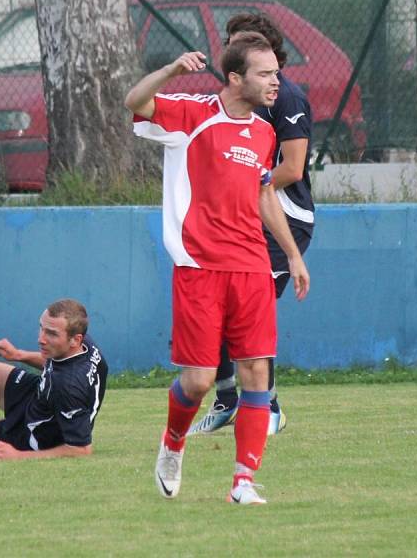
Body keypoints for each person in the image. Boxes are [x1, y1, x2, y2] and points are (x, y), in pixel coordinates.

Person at [125, 33, 310, 504]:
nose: (276, 82)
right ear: (235, 77)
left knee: (256, 373)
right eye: (265, 74)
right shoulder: (192, 114)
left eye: (276, 73)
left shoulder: (265, 131)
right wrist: (170, 70)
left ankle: (242, 483)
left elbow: (264, 192)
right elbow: (134, 101)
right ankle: (172, 442)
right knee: (200, 379)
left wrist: (291, 253)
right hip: (200, 266)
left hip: (252, 265)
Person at [189, 12, 315, 437]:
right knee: (223, 313)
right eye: (230, 44)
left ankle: (270, 406)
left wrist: (246, 183)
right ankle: (227, 400)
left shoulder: (288, 97)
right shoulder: (230, 104)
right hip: (242, 219)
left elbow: (292, 169)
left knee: (250, 313)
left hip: (286, 218)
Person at [0, 299, 108, 460]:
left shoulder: (69, 387)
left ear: (75, 340)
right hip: (37, 394)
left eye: (52, 334)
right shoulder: (85, 344)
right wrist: (18, 355)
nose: (41, 339)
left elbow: (81, 449)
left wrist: (17, 455)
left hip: (33, 432)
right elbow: (56, 363)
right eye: (42, 328)